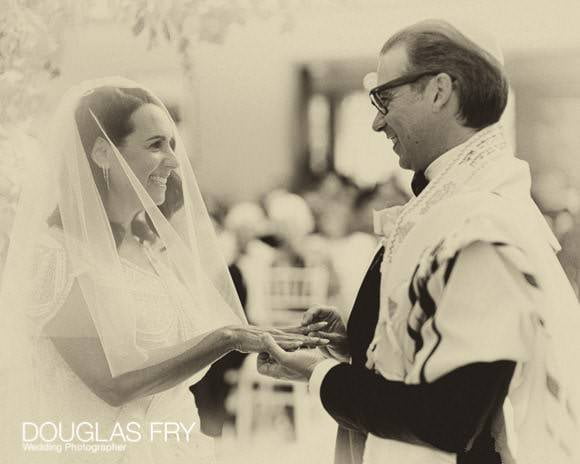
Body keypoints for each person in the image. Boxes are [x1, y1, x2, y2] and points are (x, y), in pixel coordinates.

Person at [257, 20, 580, 464]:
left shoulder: (483, 226)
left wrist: (322, 376)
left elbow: (448, 417)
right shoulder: (449, 205)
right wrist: (359, 339)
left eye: (383, 97)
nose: (375, 121)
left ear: (439, 90)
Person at [0, 77, 326, 464]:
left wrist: (271, 336)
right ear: (103, 153)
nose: (173, 160)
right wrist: (227, 337)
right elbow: (112, 383)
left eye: (172, 143)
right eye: (156, 145)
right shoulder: (55, 256)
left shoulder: (148, 247)